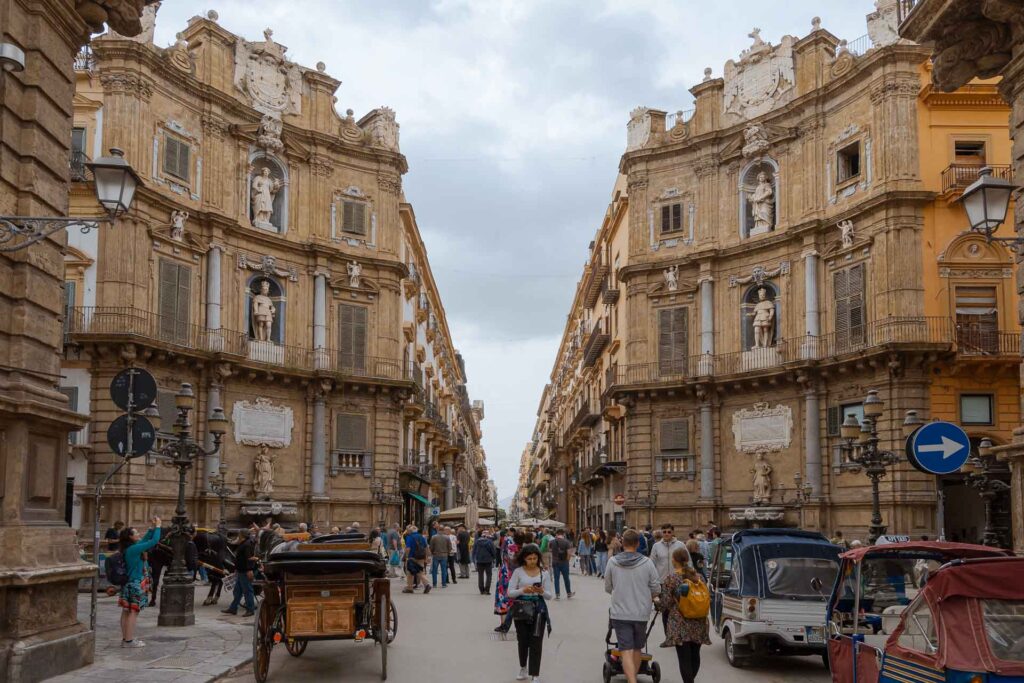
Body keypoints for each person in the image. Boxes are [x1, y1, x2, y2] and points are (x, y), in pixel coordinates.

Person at [605, 530, 661, 683]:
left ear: (622, 544)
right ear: (637, 544)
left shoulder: (612, 562)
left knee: (625, 649)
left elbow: (608, 587)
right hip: (641, 612)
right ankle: (632, 679)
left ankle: (632, 681)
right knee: (637, 648)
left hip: (620, 612)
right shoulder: (647, 563)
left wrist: (620, 592)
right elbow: (656, 587)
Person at [658, 547, 711, 683]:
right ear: (687, 560)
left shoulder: (672, 578)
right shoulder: (698, 578)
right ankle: (690, 680)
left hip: (680, 622)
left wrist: (656, 602)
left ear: (674, 560)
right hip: (699, 621)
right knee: (695, 655)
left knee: (684, 658)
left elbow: (665, 604)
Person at [507, 544, 552, 683]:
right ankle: (523, 667)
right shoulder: (518, 572)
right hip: (522, 610)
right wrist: (523, 590)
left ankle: (535, 674)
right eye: (529, 558)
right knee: (523, 641)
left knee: (536, 641)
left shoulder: (544, 573)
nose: (532, 561)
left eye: (535, 558)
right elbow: (510, 593)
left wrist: (541, 591)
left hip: (539, 611)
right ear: (524, 559)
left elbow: (550, 595)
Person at [116, 517, 162, 647]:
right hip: (136, 584)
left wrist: (152, 528)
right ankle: (129, 641)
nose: (139, 534)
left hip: (128, 584)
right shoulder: (134, 549)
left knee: (126, 611)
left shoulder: (130, 548)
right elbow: (153, 541)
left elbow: (145, 539)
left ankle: (125, 639)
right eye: (136, 533)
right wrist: (158, 527)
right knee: (133, 612)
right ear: (131, 537)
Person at [222, 527, 257, 617]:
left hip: (245, 571)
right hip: (241, 570)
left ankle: (250, 609)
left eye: (239, 534)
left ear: (242, 535)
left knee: (247, 590)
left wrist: (249, 570)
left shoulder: (247, 544)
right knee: (237, 591)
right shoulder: (244, 543)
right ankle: (233, 608)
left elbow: (249, 558)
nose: (238, 536)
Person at [494, 531, 521, 634]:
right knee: (519, 599)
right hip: (518, 575)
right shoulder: (523, 548)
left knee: (503, 598)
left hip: (506, 574)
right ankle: (521, 624)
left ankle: (503, 624)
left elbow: (502, 556)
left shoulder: (506, 543)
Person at [403, 525, 431, 594]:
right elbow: (426, 547)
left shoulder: (409, 537)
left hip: (412, 557)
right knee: (420, 571)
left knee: (410, 572)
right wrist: (428, 556)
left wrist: (406, 556)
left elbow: (408, 548)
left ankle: (410, 588)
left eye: (408, 530)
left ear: (410, 531)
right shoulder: (421, 536)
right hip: (421, 557)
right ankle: (426, 584)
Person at [549, 529, 574, 600]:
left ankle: (557, 594)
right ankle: (569, 593)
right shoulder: (567, 542)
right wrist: (567, 560)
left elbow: (549, 549)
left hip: (555, 562)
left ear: (556, 534)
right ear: (563, 534)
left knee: (556, 578)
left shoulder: (552, 542)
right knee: (566, 578)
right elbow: (569, 553)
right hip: (564, 562)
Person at [473, 529, 499, 594]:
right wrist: (494, 557)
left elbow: (474, 551)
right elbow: (493, 551)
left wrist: (474, 559)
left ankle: (481, 590)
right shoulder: (489, 542)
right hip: (488, 560)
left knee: (480, 575)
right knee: (489, 575)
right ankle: (487, 590)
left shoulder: (477, 542)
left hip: (479, 560)